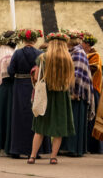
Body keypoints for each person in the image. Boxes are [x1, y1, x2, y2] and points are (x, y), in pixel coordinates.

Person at [27, 32, 75, 164]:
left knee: (40, 129)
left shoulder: (43, 58)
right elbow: (70, 78)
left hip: (45, 95)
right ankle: (53, 157)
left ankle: (32, 156)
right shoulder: (67, 59)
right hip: (61, 96)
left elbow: (36, 77)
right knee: (58, 130)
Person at [5, 28, 47, 158]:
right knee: (34, 116)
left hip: (19, 87)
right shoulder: (40, 53)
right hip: (35, 87)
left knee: (18, 117)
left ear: (23, 40)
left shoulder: (17, 53)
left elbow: (11, 71)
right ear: (35, 40)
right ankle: (35, 151)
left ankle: (16, 150)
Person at [61, 31, 96, 157]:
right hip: (72, 92)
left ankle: (73, 149)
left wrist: (74, 92)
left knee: (75, 121)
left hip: (77, 93)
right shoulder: (73, 52)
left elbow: (77, 76)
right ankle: (68, 148)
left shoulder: (78, 53)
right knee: (71, 121)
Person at [80, 32, 103, 154]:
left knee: (93, 119)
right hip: (85, 89)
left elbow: (93, 69)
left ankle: (95, 148)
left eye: (82, 43)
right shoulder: (82, 54)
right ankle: (85, 145)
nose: (81, 44)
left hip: (93, 89)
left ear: (87, 44)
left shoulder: (95, 55)